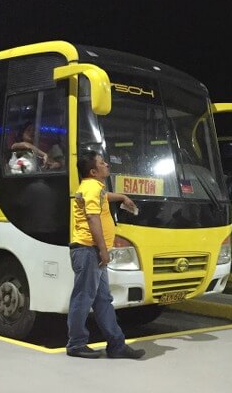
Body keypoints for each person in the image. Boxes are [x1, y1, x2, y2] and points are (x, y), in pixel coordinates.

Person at [66, 150, 145, 359]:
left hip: (92, 251)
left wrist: (122, 197)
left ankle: (116, 344)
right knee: (83, 298)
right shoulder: (92, 187)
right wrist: (103, 250)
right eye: (102, 163)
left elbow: (103, 197)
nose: (107, 164)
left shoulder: (94, 187)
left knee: (102, 299)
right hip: (88, 250)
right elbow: (93, 219)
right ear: (93, 171)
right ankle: (76, 344)